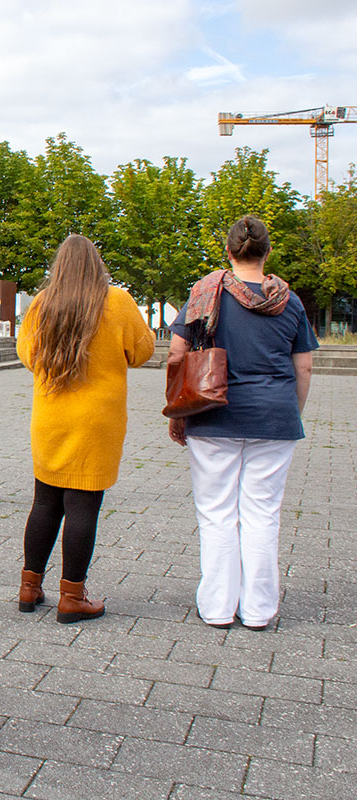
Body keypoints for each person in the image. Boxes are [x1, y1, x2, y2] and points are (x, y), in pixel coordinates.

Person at [168, 215, 316, 631]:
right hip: (274, 415)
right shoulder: (290, 301)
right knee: (263, 514)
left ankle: (216, 607)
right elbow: (303, 368)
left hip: (213, 414)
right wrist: (291, 413)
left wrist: (179, 411)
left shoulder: (205, 292)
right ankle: (259, 609)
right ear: (267, 252)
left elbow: (177, 354)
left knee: (216, 513)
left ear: (228, 252)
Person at [16, 235, 154, 623]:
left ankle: (30, 587)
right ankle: (72, 596)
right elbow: (142, 352)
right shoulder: (118, 301)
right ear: (97, 265)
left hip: (51, 417)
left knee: (44, 502)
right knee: (83, 507)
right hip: (98, 420)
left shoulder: (43, 304)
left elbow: (26, 354)